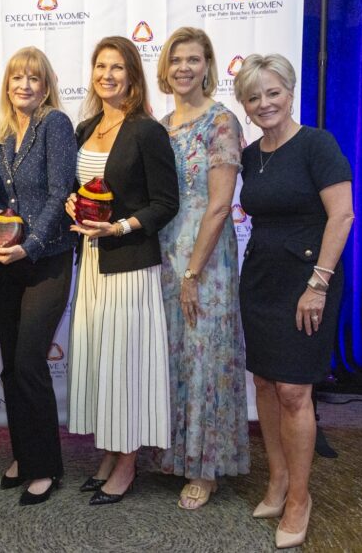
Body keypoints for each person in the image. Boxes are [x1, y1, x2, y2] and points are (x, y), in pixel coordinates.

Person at [234, 53, 353, 549]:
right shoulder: (249, 155)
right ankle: (278, 480)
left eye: (273, 93)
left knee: (293, 391)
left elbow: (342, 216)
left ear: (290, 92)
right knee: (265, 381)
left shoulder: (317, 144)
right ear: (244, 105)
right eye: (253, 97)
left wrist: (317, 284)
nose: (264, 104)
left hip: (307, 281)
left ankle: (301, 498)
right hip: (260, 278)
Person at [65, 36, 180, 505]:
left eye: (117, 67)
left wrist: (120, 227)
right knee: (102, 363)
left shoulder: (146, 131)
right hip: (93, 263)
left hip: (129, 264)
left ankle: (128, 463)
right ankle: (111, 453)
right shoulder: (86, 127)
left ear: (132, 75)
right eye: (101, 66)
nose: (107, 75)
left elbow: (166, 203)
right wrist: (73, 204)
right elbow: (81, 190)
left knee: (125, 367)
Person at [141, 26, 250, 510]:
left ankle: (205, 468)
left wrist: (192, 273)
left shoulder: (222, 121)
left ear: (207, 66)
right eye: (176, 59)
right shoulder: (160, 125)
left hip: (206, 261)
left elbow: (221, 205)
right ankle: (175, 455)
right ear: (164, 68)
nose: (184, 67)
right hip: (163, 254)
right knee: (174, 356)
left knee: (205, 356)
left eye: (193, 59)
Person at [0, 47, 77, 505]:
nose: (24, 85)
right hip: (5, 261)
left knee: (28, 362)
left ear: (46, 86)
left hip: (47, 258)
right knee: (10, 366)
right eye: (17, 77)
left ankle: (46, 466)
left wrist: (31, 244)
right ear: (7, 84)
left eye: (34, 78)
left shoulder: (55, 124)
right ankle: (23, 454)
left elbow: (61, 193)